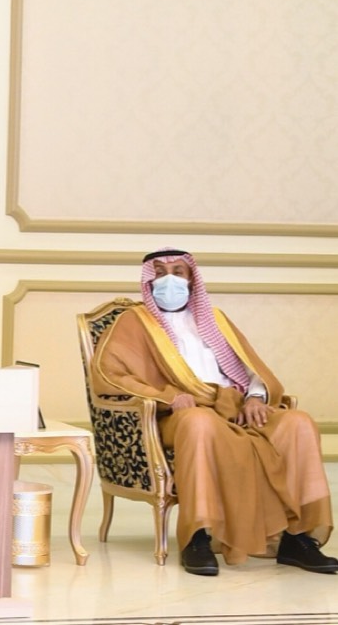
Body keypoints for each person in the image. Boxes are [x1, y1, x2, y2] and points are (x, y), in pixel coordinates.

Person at [91, 247, 335, 576]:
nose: (169, 280)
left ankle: (297, 539)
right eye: (160, 273)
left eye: (178, 272)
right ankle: (197, 538)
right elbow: (110, 375)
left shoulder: (215, 319)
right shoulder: (134, 322)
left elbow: (249, 368)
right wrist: (167, 396)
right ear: (149, 281)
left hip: (233, 407)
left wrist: (254, 398)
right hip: (181, 415)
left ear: (192, 279)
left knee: (297, 423)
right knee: (199, 422)